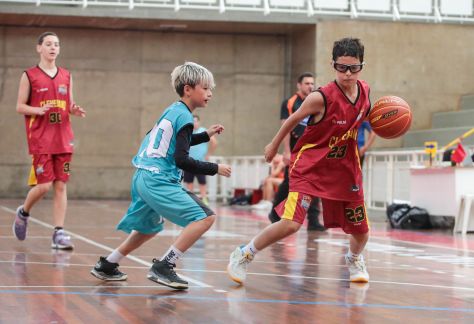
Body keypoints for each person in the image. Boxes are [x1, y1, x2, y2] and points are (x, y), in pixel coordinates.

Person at [228, 37, 371, 285]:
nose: (348, 73)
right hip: (310, 168)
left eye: (353, 68)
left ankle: (354, 258)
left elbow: (371, 118)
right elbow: (291, 120)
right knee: (291, 224)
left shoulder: (365, 91)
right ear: (333, 65)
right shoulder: (320, 97)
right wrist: (273, 146)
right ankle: (244, 254)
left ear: (361, 65)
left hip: (345, 169)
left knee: (361, 230)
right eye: (342, 67)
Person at [90, 62, 231, 290]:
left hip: (142, 176)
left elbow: (175, 141)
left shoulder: (173, 110)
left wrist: (205, 135)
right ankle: (164, 266)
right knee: (205, 217)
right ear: (188, 89)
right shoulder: (185, 118)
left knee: (147, 229)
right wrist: (215, 168)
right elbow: (182, 160)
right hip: (158, 179)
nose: (210, 93)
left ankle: (107, 265)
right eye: (205, 88)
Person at [13, 32, 86, 250]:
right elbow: (19, 106)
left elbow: (69, 104)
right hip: (41, 139)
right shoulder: (29, 75)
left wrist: (74, 109)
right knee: (43, 186)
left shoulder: (66, 75)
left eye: (56, 44)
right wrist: (38, 109)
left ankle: (58, 233)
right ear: (39, 48)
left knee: (61, 186)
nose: (53, 48)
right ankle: (23, 212)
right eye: (48, 44)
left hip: (64, 138)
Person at [268, 72, 325, 231]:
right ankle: (274, 212)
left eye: (312, 83)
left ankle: (313, 220)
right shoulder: (290, 102)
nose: (310, 86)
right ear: (299, 85)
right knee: (289, 182)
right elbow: (285, 127)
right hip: (294, 150)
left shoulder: (316, 101)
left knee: (315, 183)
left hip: (312, 151)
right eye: (306, 83)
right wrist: (286, 151)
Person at [183, 114, 217, 205]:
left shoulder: (203, 131)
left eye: (196, 121)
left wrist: (208, 154)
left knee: (202, 182)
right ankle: (191, 200)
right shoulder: (188, 132)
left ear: (199, 122)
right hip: (188, 161)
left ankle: (204, 198)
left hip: (200, 161)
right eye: (192, 121)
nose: (194, 123)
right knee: (189, 182)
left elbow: (214, 142)